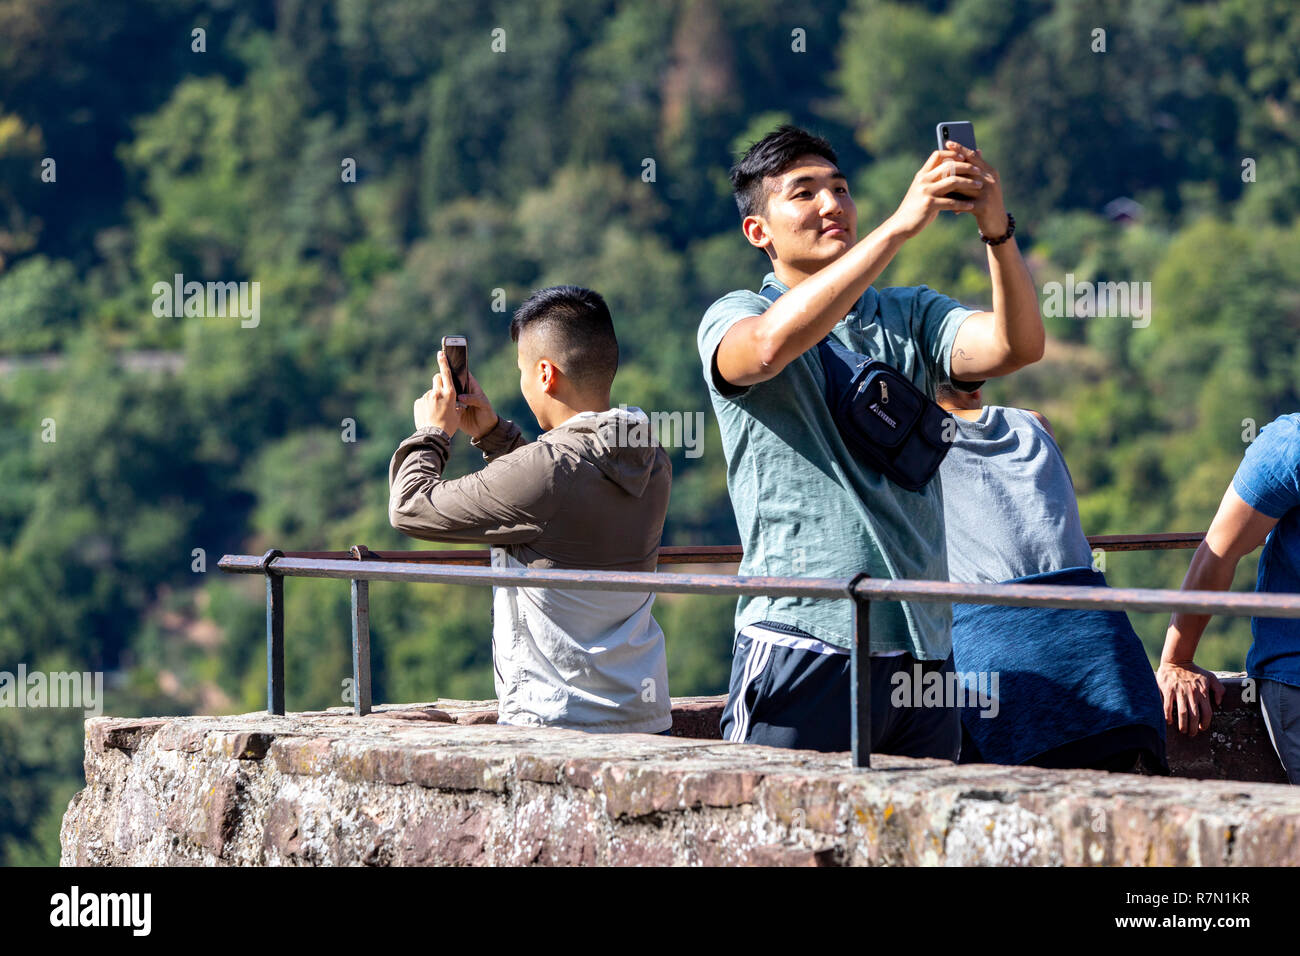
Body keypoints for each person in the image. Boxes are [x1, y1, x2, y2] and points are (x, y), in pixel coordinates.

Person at [698, 124, 1044, 755]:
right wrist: (900, 228)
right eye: (803, 194)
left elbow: (1015, 346)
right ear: (760, 232)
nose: (832, 205)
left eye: (840, 188)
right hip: (803, 636)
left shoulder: (908, 314)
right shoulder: (735, 313)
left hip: (922, 650)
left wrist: (996, 230)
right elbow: (767, 349)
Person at [387, 285, 673, 734]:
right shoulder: (651, 456)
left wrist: (432, 434)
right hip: (644, 717)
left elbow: (411, 508)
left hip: (557, 723)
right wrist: (494, 436)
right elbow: (556, 504)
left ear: (545, 374)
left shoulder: (547, 470)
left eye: (522, 371)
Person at [935, 382, 1167, 773]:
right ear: (977, 387)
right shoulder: (1035, 423)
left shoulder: (910, 445)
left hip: (1006, 684)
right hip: (1116, 673)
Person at [1157, 413, 1300, 783]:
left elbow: (1218, 552)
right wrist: (1178, 659)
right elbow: (1218, 552)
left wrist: (1179, 658)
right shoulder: (1291, 444)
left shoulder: (1290, 442)